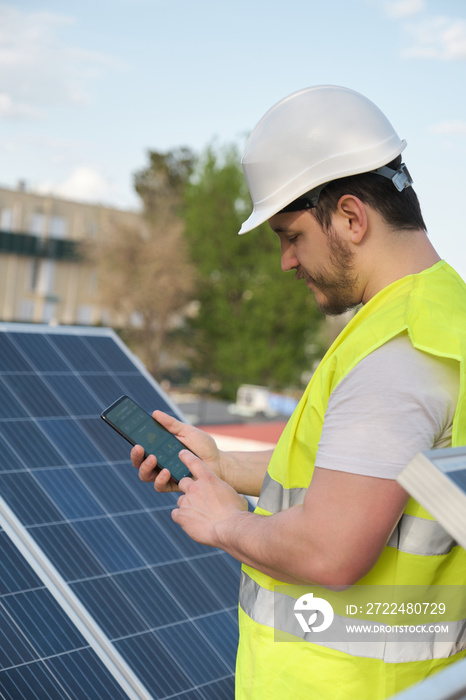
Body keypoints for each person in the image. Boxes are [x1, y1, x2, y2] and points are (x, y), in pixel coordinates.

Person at [131, 85, 466, 699]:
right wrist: (223, 465)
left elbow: (329, 548)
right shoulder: (444, 314)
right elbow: (362, 477)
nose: (286, 261)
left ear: (350, 217)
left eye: (291, 235)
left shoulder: (398, 350)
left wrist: (226, 523)